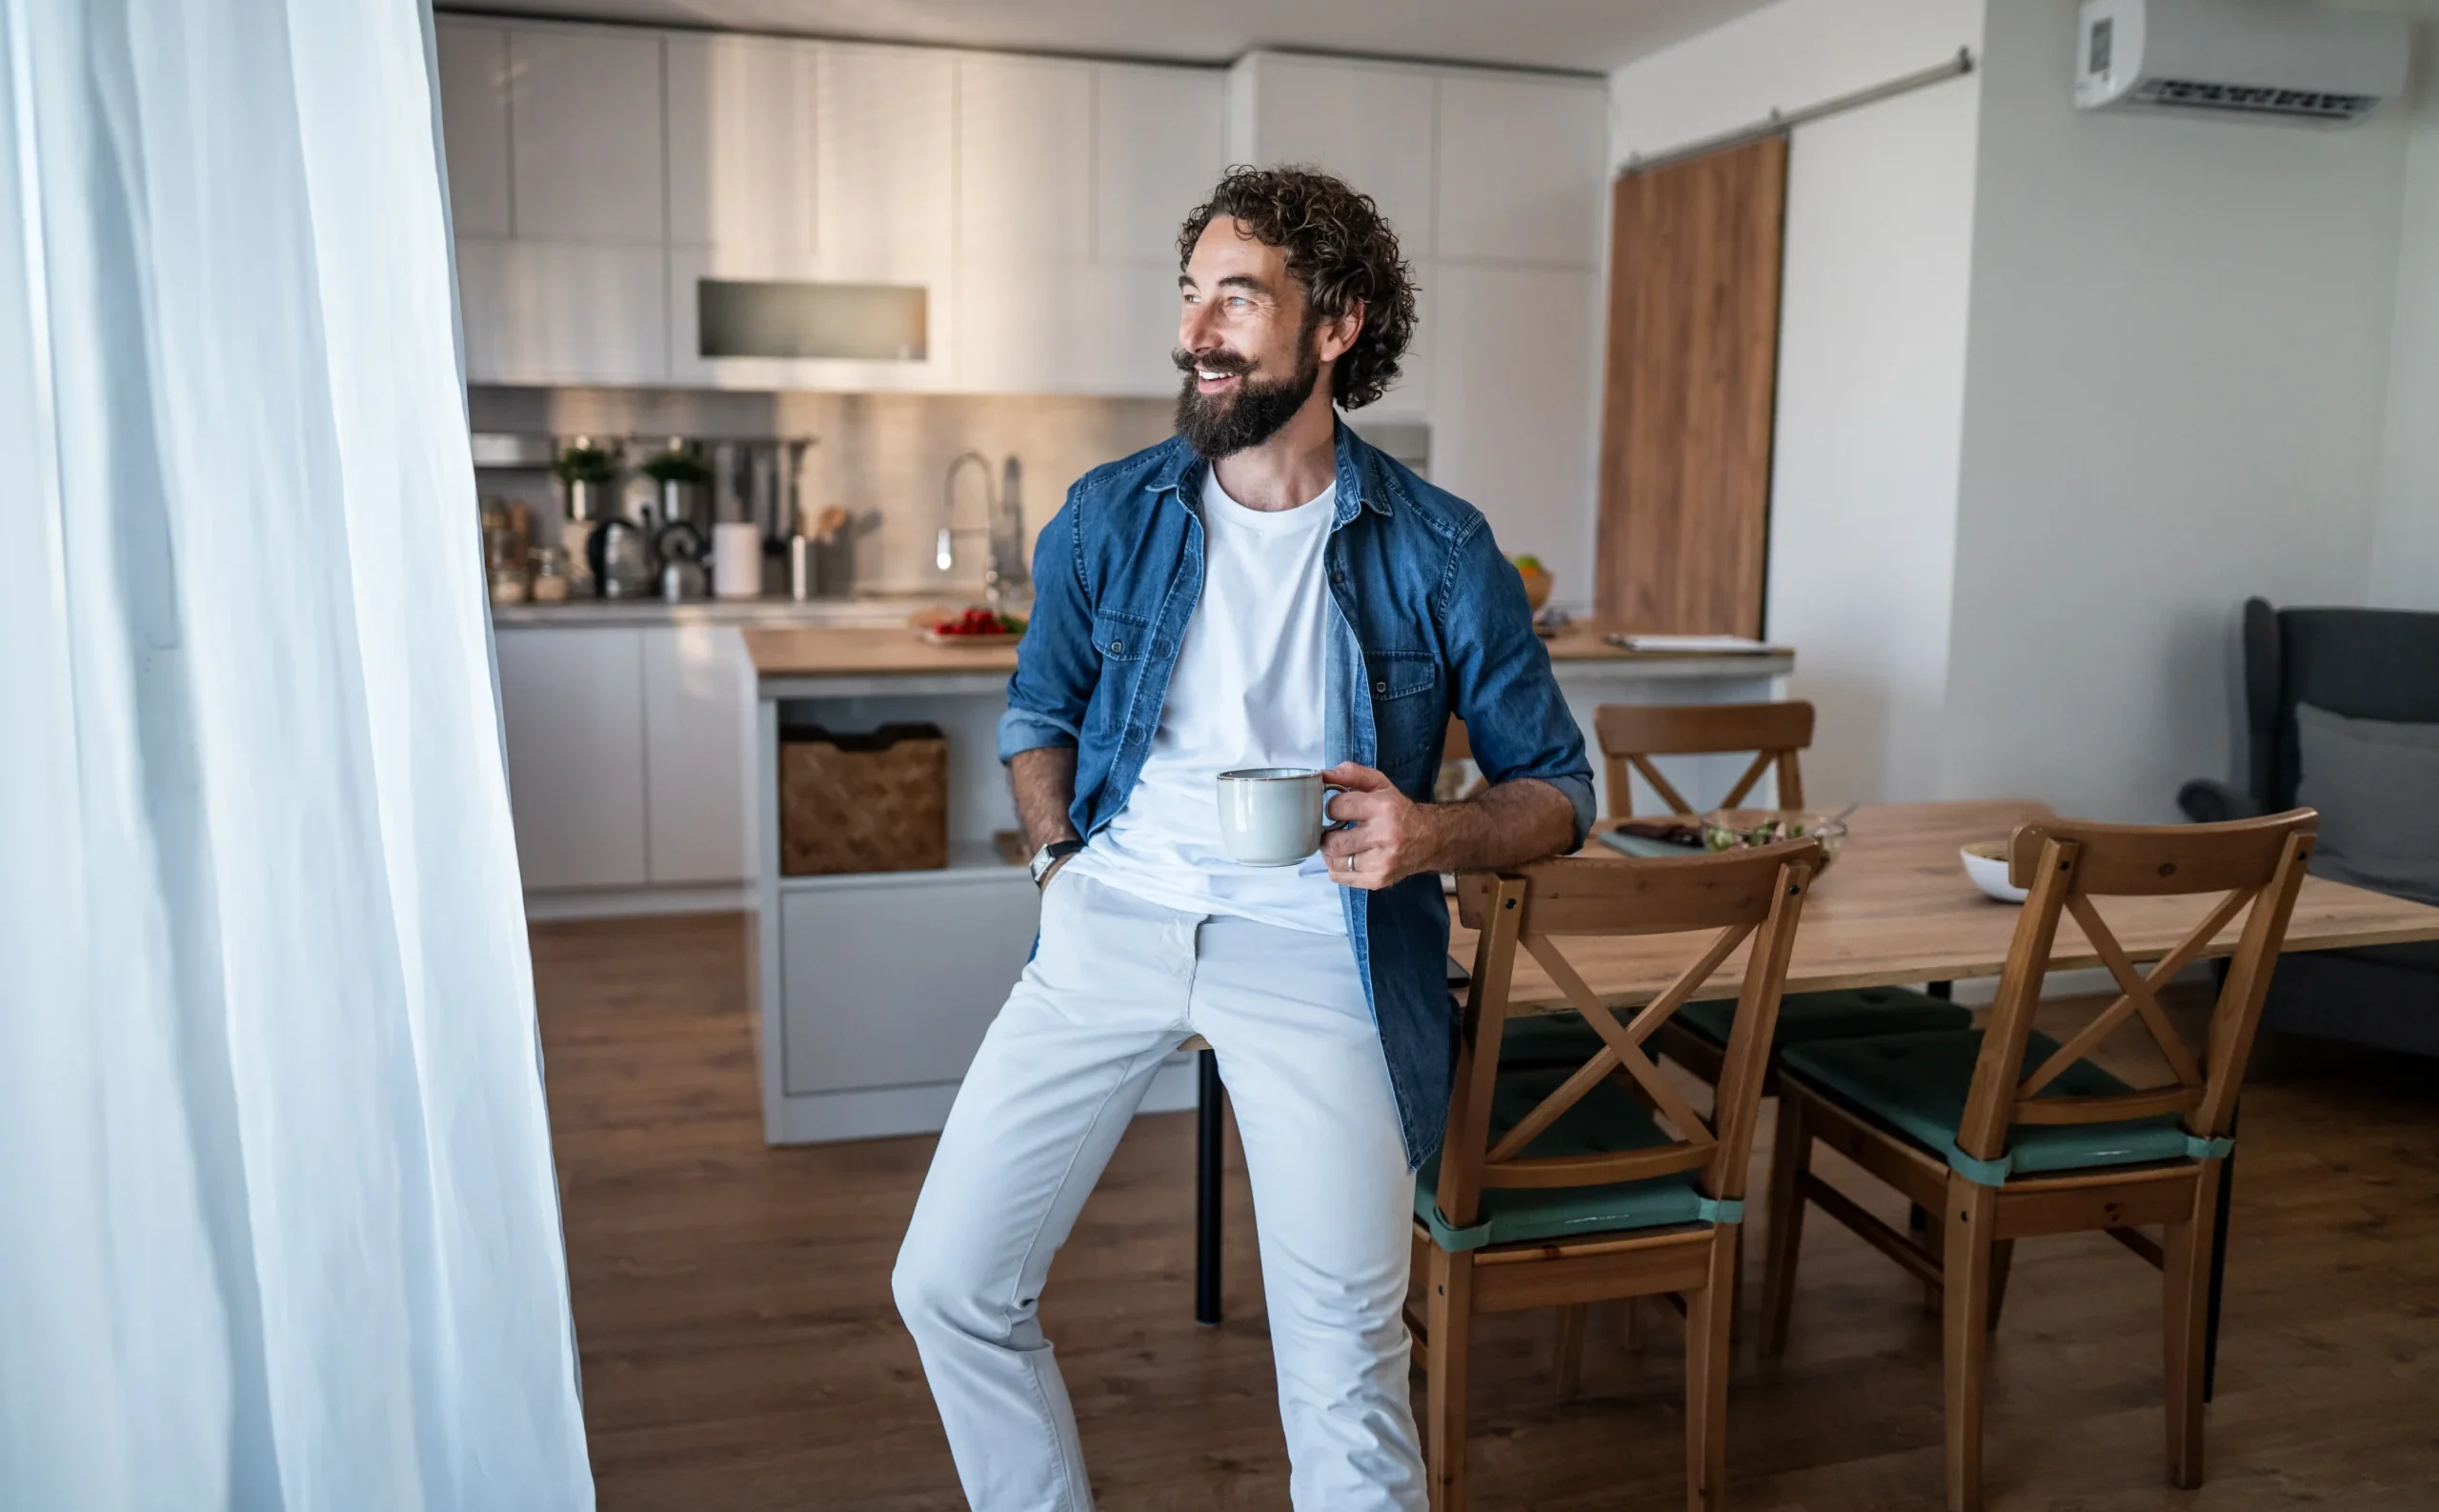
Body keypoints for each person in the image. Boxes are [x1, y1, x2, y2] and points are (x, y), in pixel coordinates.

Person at [891, 165, 1594, 1512]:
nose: (1195, 330)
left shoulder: (1444, 549)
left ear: (1337, 325)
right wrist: (1060, 863)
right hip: (1113, 920)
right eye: (1189, 294)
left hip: (1321, 941)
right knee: (948, 1284)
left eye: (1237, 297)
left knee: (1342, 1365)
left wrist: (1431, 828)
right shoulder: (1114, 510)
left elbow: (1559, 790)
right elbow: (1038, 708)